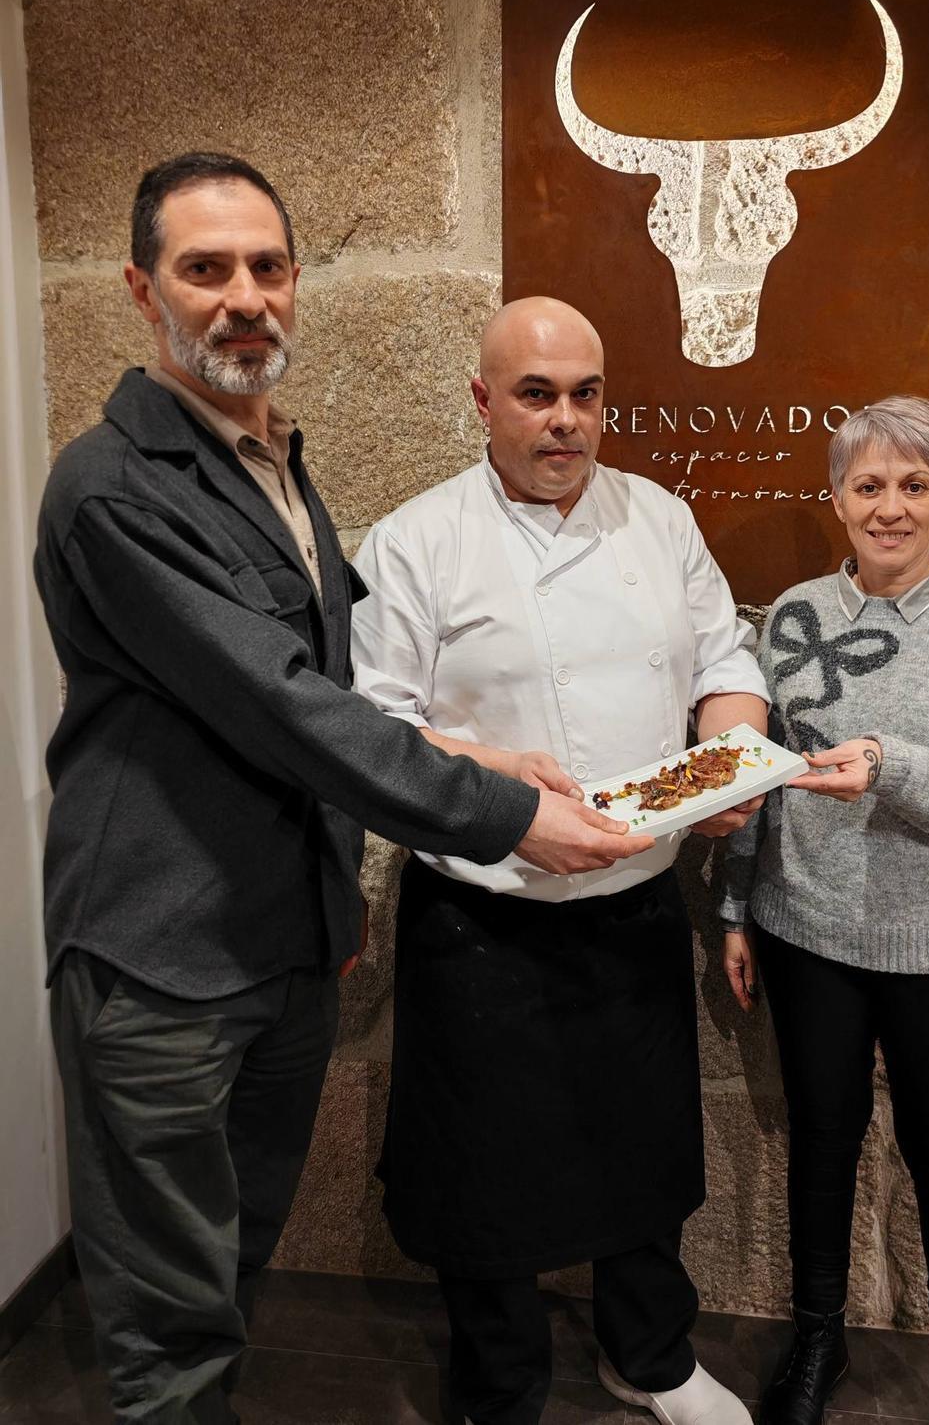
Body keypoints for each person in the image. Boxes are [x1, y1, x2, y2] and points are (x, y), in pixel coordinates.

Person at [34, 156, 647, 1425]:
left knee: (236, 1261)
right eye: (206, 270)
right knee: (168, 1324)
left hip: (281, 946)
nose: (243, 297)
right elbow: (282, 705)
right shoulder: (112, 486)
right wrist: (503, 811)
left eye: (266, 267)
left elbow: (326, 685)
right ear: (142, 289)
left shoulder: (266, 460)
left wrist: (456, 772)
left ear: (298, 284)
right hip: (159, 965)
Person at [351, 296, 770, 1425]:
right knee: (482, 1178)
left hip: (636, 901)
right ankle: (499, 1389)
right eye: (537, 394)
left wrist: (727, 763)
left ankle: (651, 1355)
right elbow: (373, 726)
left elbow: (722, 657)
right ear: (483, 400)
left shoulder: (659, 518)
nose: (567, 420)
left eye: (586, 393)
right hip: (484, 916)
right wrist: (495, 782)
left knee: (643, 1153)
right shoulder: (415, 540)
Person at [719, 396, 929, 1425]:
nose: (891, 507)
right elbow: (757, 771)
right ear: (836, 498)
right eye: (869, 485)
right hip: (807, 934)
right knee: (820, 1145)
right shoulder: (793, 616)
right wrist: (736, 903)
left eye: (915, 485)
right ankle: (816, 1340)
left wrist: (886, 764)